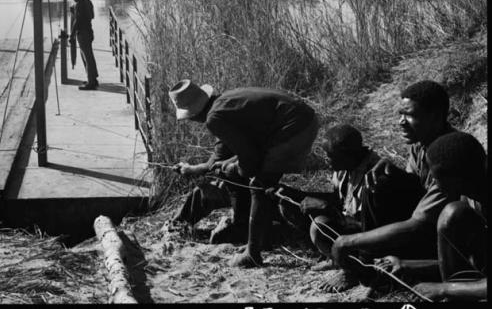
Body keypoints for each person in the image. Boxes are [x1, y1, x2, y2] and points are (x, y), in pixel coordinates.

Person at [168, 79, 319, 268]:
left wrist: (236, 168)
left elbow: (250, 158)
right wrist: (192, 169)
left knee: (259, 184)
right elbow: (222, 155)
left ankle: (253, 252)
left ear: (194, 113)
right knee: (255, 179)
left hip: (295, 127)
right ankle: (253, 226)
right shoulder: (223, 103)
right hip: (300, 119)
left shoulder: (214, 119)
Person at [330, 80, 458, 268]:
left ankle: (367, 267)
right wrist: (395, 173)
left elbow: (419, 223)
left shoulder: (449, 154)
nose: (401, 122)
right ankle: (369, 261)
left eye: (410, 115)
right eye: (401, 114)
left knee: (382, 184)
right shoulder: (420, 145)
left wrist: (349, 241)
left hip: (443, 238)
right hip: (423, 223)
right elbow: (413, 188)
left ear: (436, 117)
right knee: (379, 180)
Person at [273, 124, 422, 271]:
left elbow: (370, 225)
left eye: (330, 156)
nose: (326, 160)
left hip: (369, 238)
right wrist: (295, 194)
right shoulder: (345, 166)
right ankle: (333, 256)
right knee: (287, 204)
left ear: (347, 155)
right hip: (350, 223)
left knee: (320, 224)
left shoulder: (375, 176)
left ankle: (351, 267)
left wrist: (327, 208)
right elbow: (341, 200)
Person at [376, 132, 487, 301]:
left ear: (455, 180)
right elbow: (469, 262)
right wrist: (406, 265)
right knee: (453, 213)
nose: (433, 184)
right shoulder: (470, 195)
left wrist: (446, 289)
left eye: (436, 178)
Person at [70, 0, 99, 90]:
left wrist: (72, 35)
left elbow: (77, 21)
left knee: (86, 57)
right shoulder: (88, 1)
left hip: (82, 33)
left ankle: (91, 82)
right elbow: (92, 16)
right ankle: (93, 78)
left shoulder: (78, 5)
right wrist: (75, 12)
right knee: (89, 56)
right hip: (89, 32)